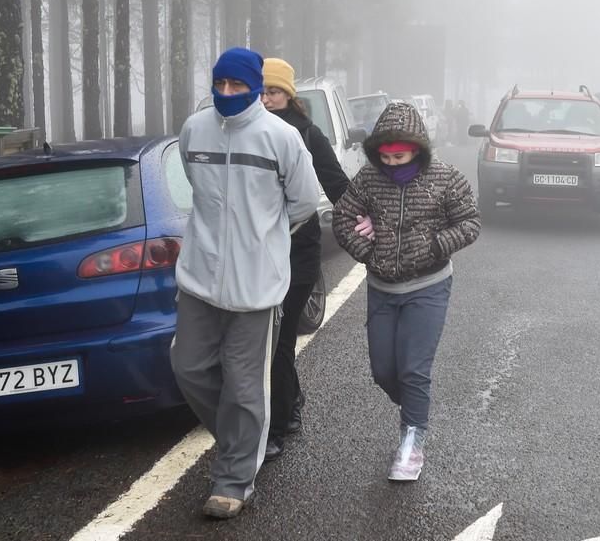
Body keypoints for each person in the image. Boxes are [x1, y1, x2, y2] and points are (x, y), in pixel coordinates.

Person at [170, 47, 321, 519]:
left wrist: (263, 241)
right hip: (199, 277)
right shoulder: (195, 130)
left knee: (244, 382)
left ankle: (234, 480)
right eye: (221, 85)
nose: (227, 94)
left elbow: (303, 203)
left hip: (257, 287)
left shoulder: (281, 137)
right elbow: (198, 187)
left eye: (237, 86)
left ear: (255, 88)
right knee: (189, 367)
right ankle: (241, 440)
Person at [332, 102, 481, 481]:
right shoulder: (368, 179)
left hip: (428, 286)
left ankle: (412, 442)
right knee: (384, 371)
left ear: (416, 148)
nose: (393, 163)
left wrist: (434, 245)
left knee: (414, 370)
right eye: (386, 156)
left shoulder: (447, 179)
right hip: (381, 288)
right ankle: (416, 407)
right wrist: (367, 251)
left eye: (400, 156)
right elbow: (343, 219)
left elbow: (470, 223)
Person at [260, 57, 350, 462]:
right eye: (260, 92)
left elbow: (337, 186)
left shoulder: (308, 135)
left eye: (273, 92)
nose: (265, 100)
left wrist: (367, 230)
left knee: (278, 339)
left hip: (299, 250)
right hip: (261, 252)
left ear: (289, 95)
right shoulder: (248, 134)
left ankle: (277, 427)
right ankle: (291, 403)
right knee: (272, 341)